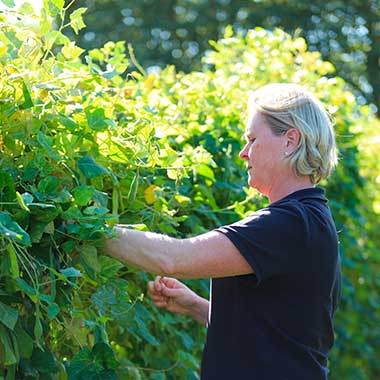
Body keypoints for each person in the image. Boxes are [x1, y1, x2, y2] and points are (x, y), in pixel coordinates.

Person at [104, 83, 341, 380]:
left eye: (252, 139)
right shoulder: (310, 217)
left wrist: (87, 227)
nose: (243, 153)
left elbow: (172, 258)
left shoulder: (292, 223)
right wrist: (198, 307)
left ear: (290, 141)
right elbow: (277, 332)